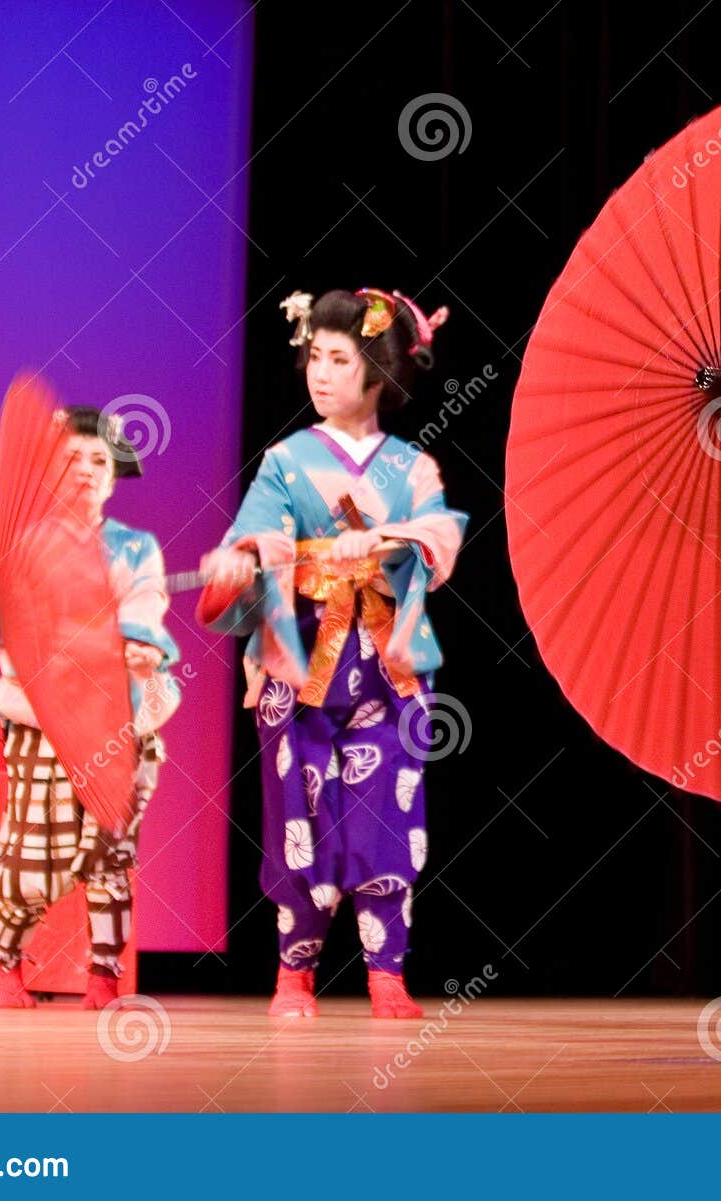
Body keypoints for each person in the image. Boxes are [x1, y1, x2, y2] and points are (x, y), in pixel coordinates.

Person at [200, 287, 465, 1019]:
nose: (321, 372)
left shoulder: (411, 467)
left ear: (376, 371)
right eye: (314, 355)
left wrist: (387, 538)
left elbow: (441, 536)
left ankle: (387, 973)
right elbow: (257, 534)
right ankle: (294, 974)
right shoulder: (286, 460)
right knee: (300, 809)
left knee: (388, 811)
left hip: (386, 660)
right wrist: (246, 555)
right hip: (304, 657)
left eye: (339, 359)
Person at [0, 406, 182, 1010]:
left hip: (118, 720)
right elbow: (19, 643)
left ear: (114, 475)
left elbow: (146, 614)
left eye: (99, 460)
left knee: (111, 854)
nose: (87, 471)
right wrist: (80, 647)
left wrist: (141, 648)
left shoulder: (135, 547)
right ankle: (4, 964)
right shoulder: (27, 550)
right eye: (71, 460)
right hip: (44, 721)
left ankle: (103, 977)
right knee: (32, 858)